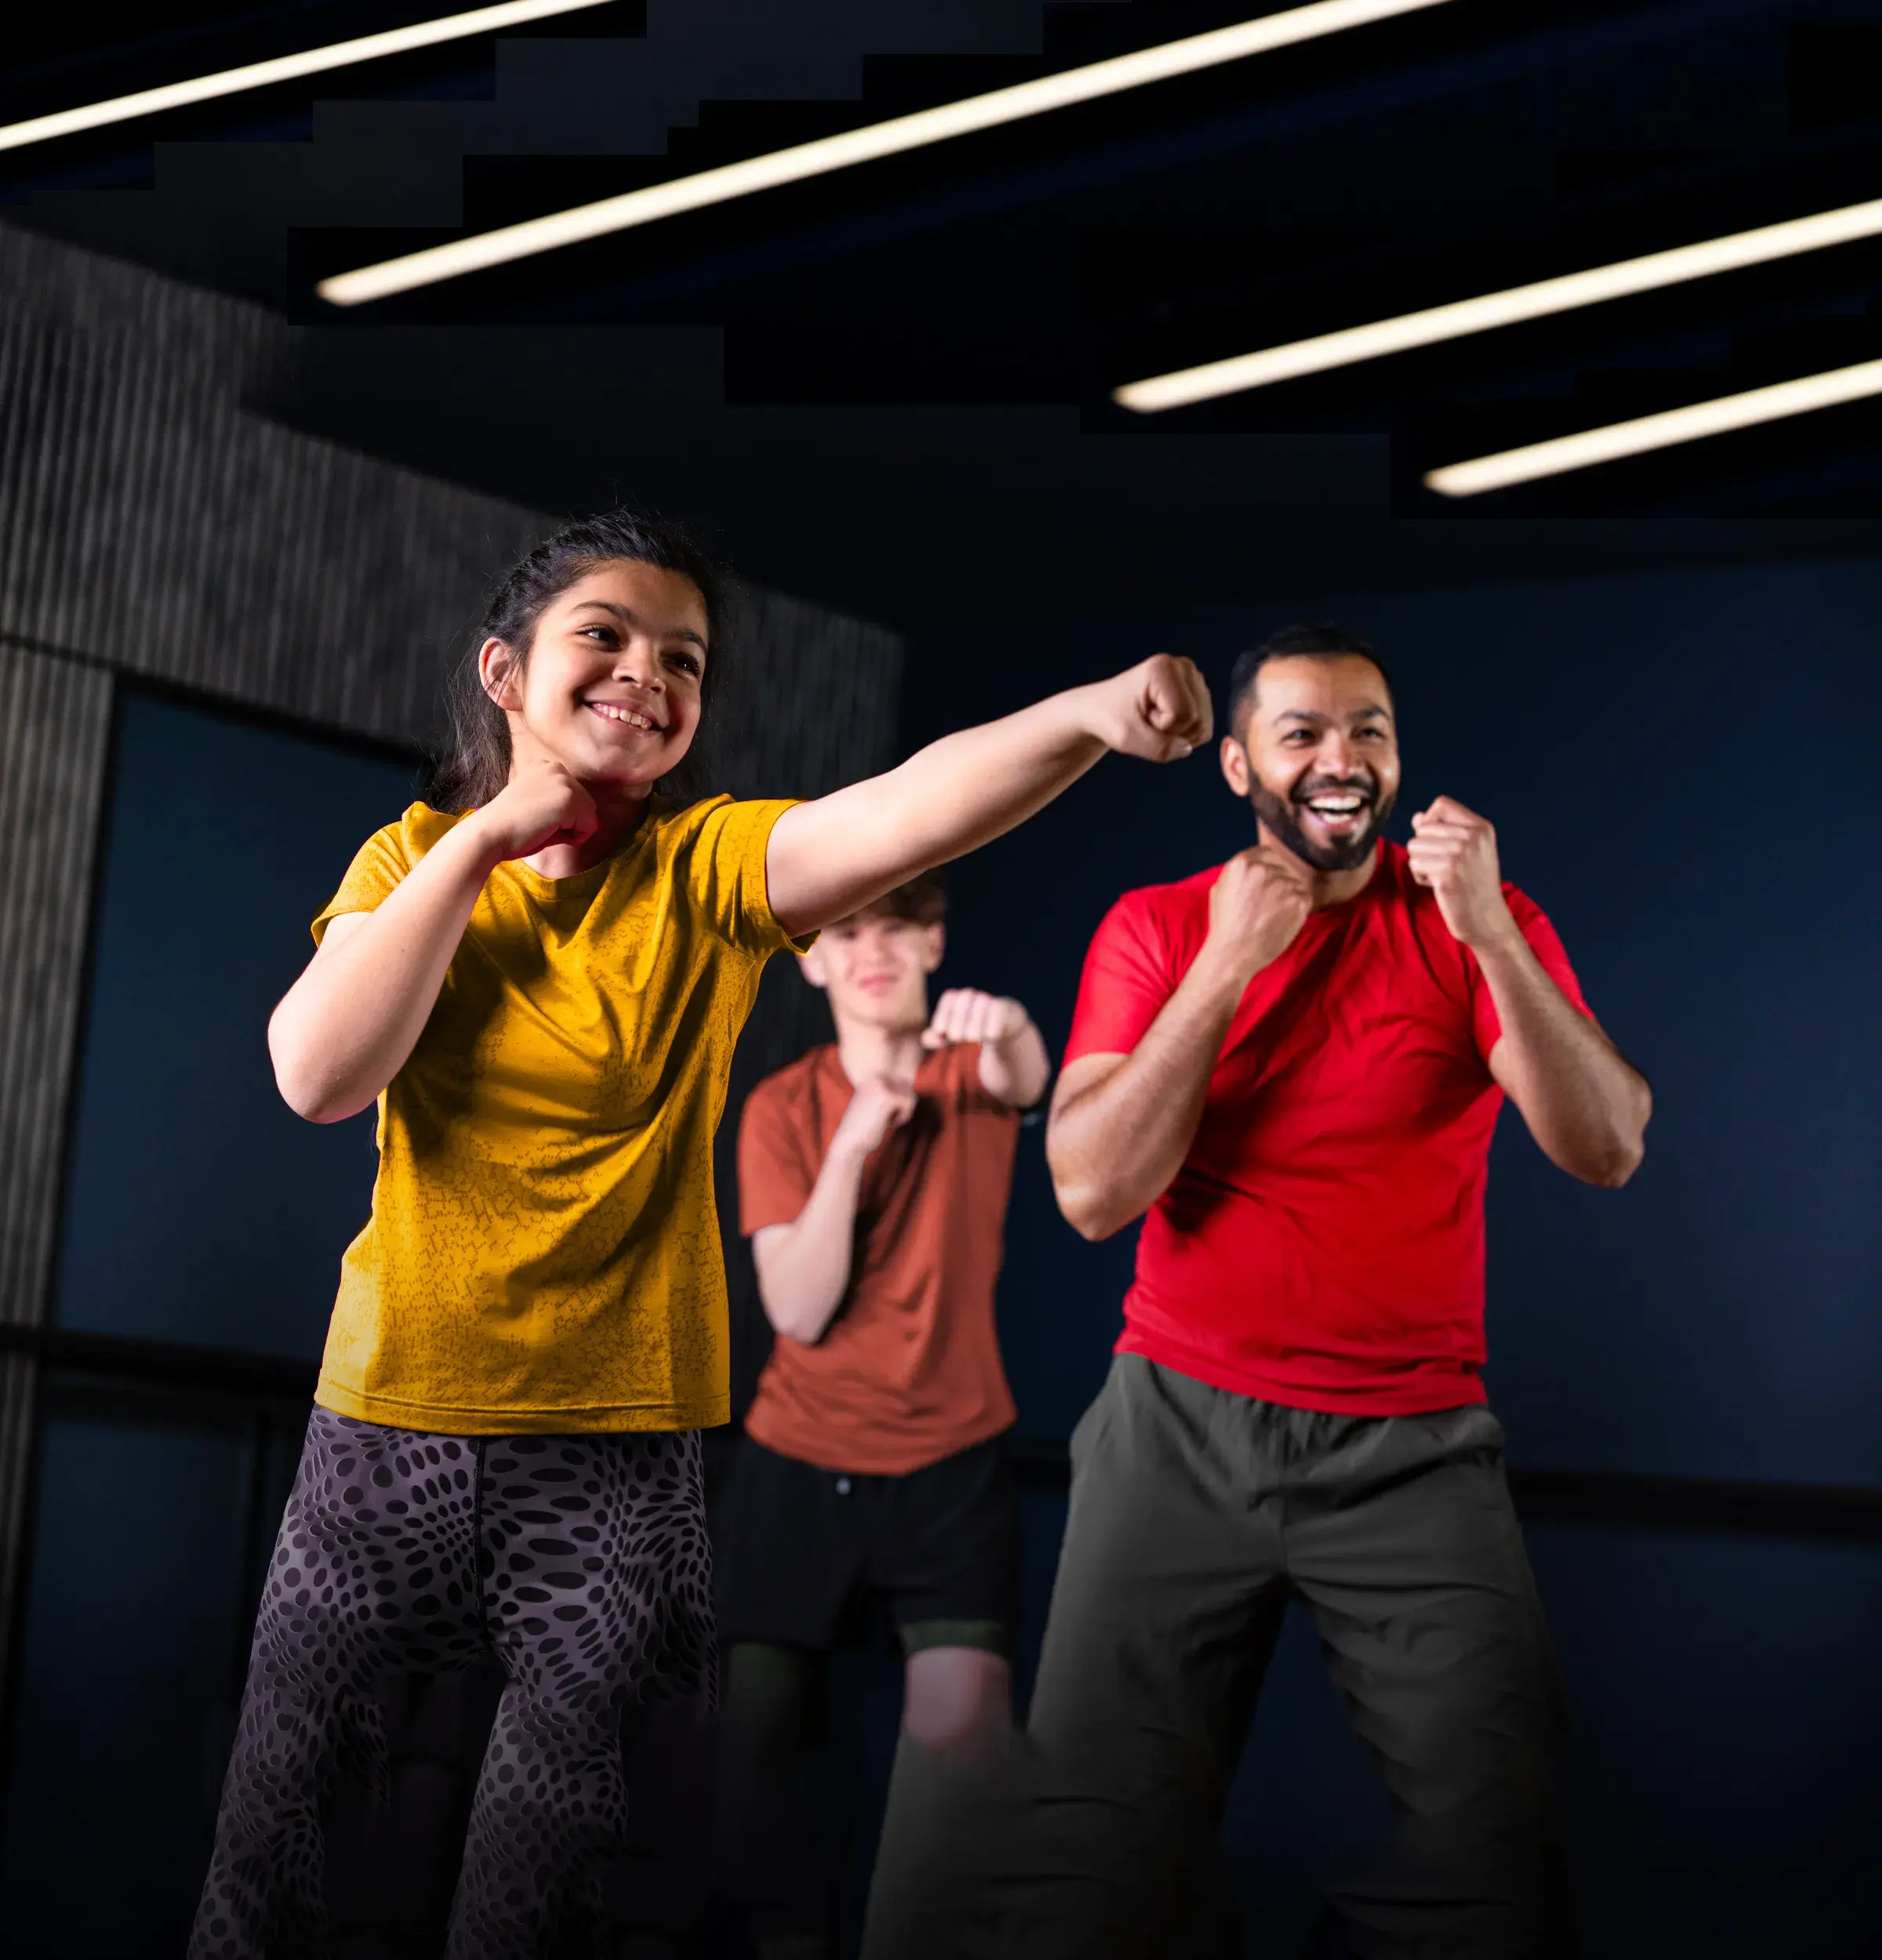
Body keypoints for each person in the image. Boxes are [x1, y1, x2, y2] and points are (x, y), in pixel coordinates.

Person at [188, 507, 1212, 1960]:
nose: (647, 677)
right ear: (505, 670)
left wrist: (1090, 714)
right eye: (602, 638)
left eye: (684, 659)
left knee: (549, 1891)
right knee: (277, 1858)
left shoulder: (707, 872)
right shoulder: (409, 862)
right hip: (385, 1427)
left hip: (615, 1457)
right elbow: (316, 1075)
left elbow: (912, 805)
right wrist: (483, 842)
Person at [1021, 623, 1651, 1958]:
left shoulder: (1482, 927)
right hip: (1174, 1433)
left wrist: (1490, 934)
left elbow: (1607, 1145)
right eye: (1302, 732)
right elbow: (1090, 1192)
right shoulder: (1158, 927)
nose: (1342, 758)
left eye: (1369, 729)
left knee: (1504, 1853)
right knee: (1096, 1861)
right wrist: (1224, 967)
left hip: (1414, 1448)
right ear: (1239, 763)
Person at [714, 869, 1049, 1960]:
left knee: (965, 1741)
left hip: (951, 1461)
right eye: (846, 932)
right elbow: (798, 1311)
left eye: (898, 929)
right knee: (750, 1743)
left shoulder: (975, 1073)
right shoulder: (781, 1108)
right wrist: (858, 1139)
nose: (872, 951)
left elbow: (1028, 1076)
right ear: (809, 959)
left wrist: (1010, 1031)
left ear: (934, 943)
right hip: (794, 1455)